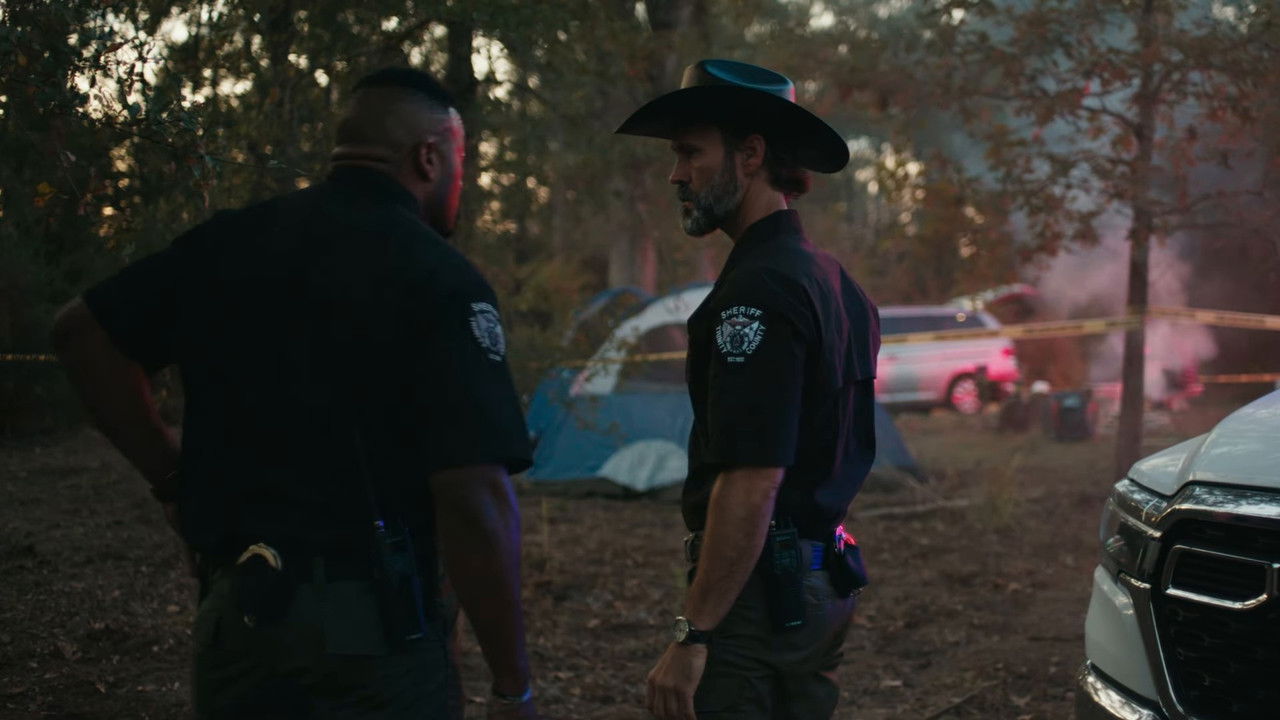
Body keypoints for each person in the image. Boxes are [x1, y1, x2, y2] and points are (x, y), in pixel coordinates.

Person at [52, 67, 540, 719]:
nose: (463, 181)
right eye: (462, 161)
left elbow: (82, 334)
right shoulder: (438, 279)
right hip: (373, 639)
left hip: (238, 622)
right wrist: (512, 686)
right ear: (430, 158)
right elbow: (474, 496)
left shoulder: (231, 243)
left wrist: (170, 478)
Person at [616, 59, 881, 719]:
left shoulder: (760, 289)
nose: (677, 174)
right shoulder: (833, 279)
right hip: (818, 584)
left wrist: (694, 633)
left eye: (690, 153)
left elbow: (753, 478)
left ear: (751, 154)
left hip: (762, 599)